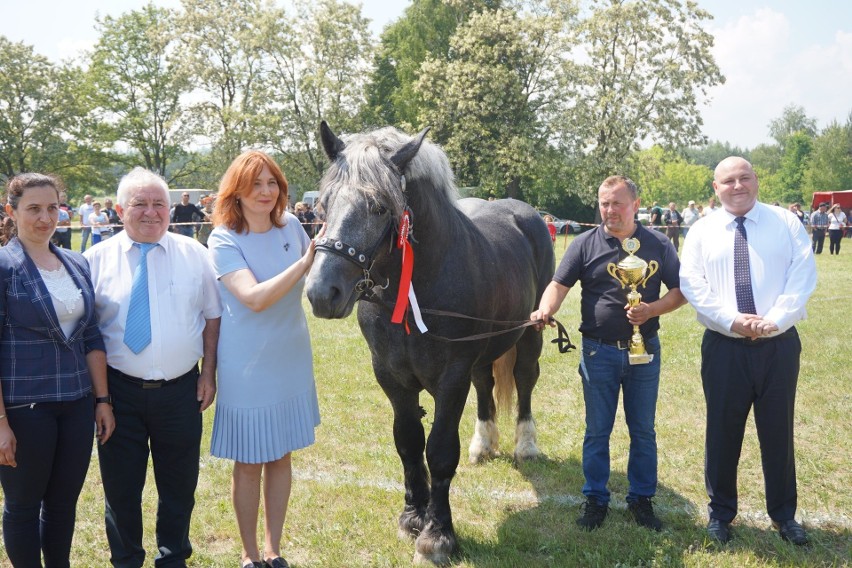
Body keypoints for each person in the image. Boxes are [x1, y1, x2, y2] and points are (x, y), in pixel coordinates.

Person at [530, 175, 685, 532]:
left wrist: (651, 310)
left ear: (635, 204)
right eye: (603, 203)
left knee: (643, 430)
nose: (609, 210)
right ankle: (595, 499)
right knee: (597, 430)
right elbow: (559, 284)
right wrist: (545, 309)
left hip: (643, 350)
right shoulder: (585, 243)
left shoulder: (658, 243)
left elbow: (680, 291)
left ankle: (641, 499)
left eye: (617, 203)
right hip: (598, 353)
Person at [85, 167, 222, 568]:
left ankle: (173, 557)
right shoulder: (93, 261)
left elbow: (213, 317)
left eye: (159, 203)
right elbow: (87, 333)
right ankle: (126, 559)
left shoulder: (196, 255)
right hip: (117, 395)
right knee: (121, 490)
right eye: (139, 204)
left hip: (181, 392)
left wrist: (208, 372)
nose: (151, 212)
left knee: (179, 487)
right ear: (120, 209)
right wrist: (100, 398)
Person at [679, 157, 816, 546]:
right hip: (725, 347)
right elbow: (693, 284)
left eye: (744, 177)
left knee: (778, 431)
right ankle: (720, 515)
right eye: (728, 181)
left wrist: (773, 319)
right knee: (722, 432)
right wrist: (733, 321)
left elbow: (803, 274)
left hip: (779, 346)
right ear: (715, 187)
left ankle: (784, 516)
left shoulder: (785, 223)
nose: (737, 186)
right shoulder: (702, 231)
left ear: (756, 179)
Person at [208, 151, 320, 568]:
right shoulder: (223, 238)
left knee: (281, 455)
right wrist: (306, 261)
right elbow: (253, 298)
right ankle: (249, 554)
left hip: (291, 356)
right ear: (236, 190)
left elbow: (321, 274)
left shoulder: (290, 225)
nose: (266, 192)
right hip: (247, 364)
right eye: (256, 184)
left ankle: (273, 550)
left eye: (271, 182)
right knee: (250, 460)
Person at [0, 173, 114, 567]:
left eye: (52, 207)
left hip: (78, 403)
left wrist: (102, 400)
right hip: (23, 409)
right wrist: (0, 423)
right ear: (11, 212)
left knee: (64, 503)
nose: (45, 217)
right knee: (24, 505)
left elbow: (91, 336)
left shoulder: (76, 262)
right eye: (34, 209)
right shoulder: (3, 266)